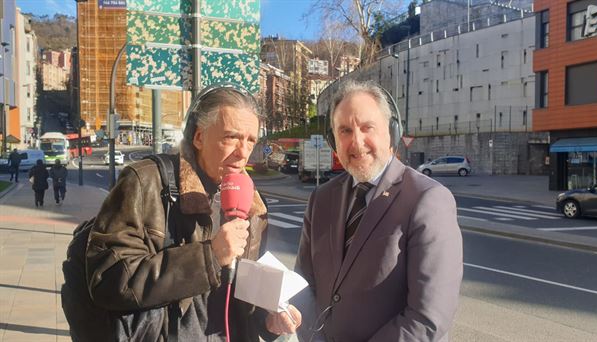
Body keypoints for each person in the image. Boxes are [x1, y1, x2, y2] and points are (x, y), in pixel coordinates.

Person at [84, 85, 301, 341]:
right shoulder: (146, 182)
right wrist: (208, 256)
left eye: (250, 140)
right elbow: (107, 280)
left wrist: (269, 319)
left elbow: (245, 297)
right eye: (231, 137)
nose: (243, 152)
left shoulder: (254, 204)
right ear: (199, 137)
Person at [295, 80, 463, 341]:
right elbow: (304, 286)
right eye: (345, 131)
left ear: (392, 133)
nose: (356, 142)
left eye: (367, 128)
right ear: (333, 141)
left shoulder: (428, 199)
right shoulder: (321, 199)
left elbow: (428, 317)